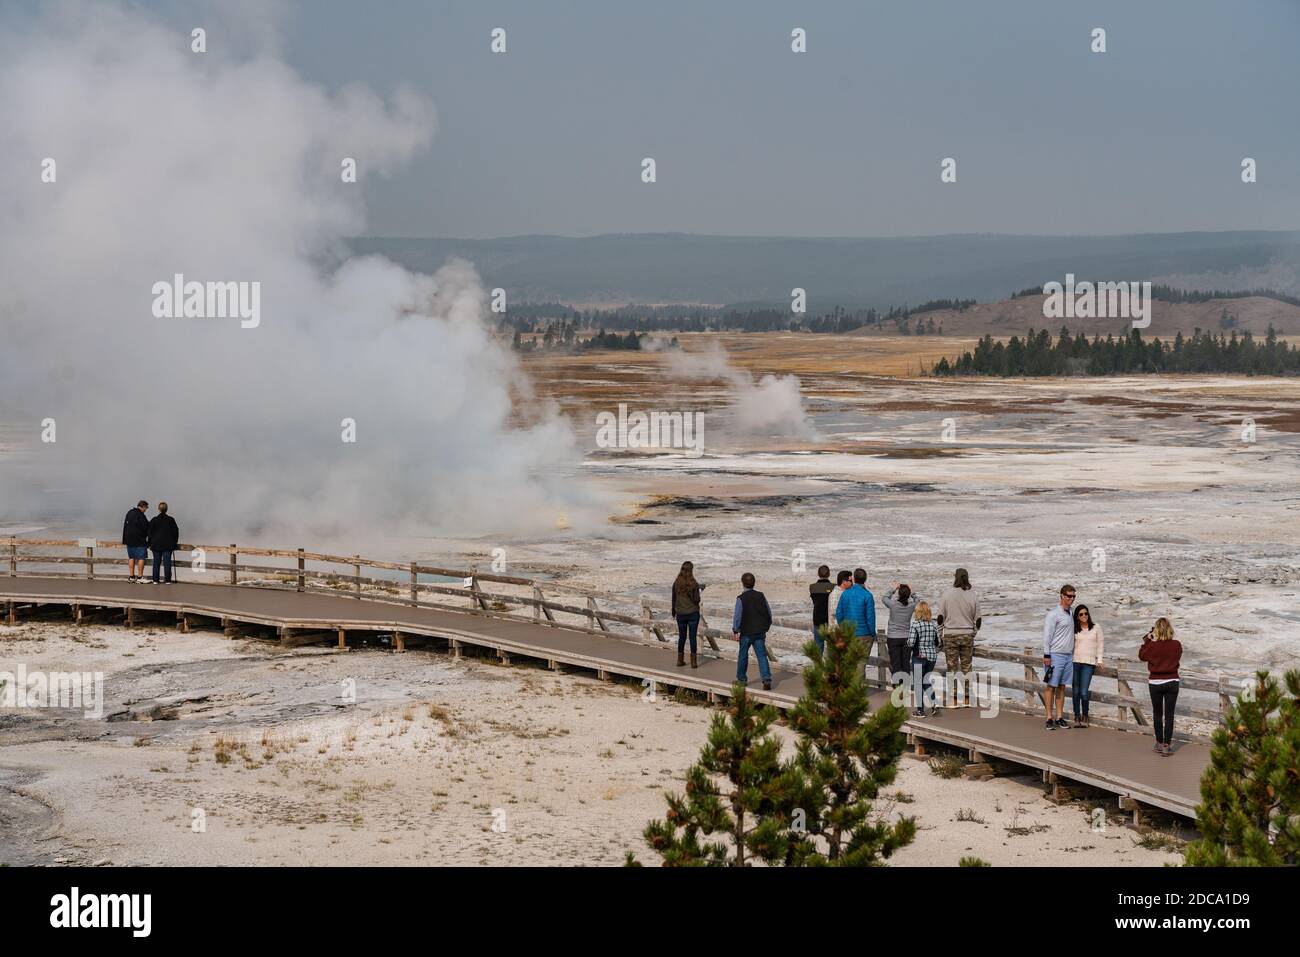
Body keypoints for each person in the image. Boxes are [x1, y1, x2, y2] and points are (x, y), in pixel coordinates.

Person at [936, 568, 981, 707]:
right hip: (967, 634)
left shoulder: (947, 594)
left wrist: (940, 635)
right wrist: (973, 632)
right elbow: (978, 619)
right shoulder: (972, 595)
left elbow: (940, 618)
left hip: (950, 634)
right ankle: (967, 699)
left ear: (955, 577)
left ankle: (953, 699)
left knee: (952, 668)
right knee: (967, 667)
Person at [1139, 618, 1183, 756]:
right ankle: (1166, 745)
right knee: (1169, 715)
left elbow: (1141, 656)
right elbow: (1177, 657)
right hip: (1172, 681)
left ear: (1156, 630)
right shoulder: (1176, 645)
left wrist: (1147, 640)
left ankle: (1158, 742)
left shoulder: (1152, 645)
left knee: (1158, 714)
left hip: (1156, 683)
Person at [1041, 584, 1076, 730]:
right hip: (1055, 655)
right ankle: (1049, 717)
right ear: (1062, 596)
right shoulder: (1054, 614)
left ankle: (1059, 717)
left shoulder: (1071, 613)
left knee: (1062, 687)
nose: (1071, 599)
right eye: (1069, 596)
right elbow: (1047, 635)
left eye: (1073, 596)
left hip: (1068, 656)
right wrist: (1047, 654)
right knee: (1051, 686)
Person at [732, 572, 773, 691]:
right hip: (759, 631)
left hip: (746, 632)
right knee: (761, 655)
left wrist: (735, 630)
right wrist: (767, 626)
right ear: (754, 583)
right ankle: (766, 679)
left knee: (743, 655)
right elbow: (768, 612)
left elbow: (737, 616)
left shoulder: (741, 598)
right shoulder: (761, 596)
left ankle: (741, 680)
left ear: (743, 583)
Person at [1071, 604, 1104, 727]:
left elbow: (1100, 645)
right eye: (1081, 614)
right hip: (1075, 662)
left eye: (1086, 613)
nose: (1084, 616)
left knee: (1084, 692)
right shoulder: (1074, 629)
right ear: (1077, 617)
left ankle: (1085, 716)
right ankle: (1076, 716)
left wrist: (1100, 660)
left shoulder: (1096, 627)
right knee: (1075, 692)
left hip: (1088, 664)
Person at [883, 581, 921, 686]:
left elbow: (884, 598)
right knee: (905, 662)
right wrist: (912, 592)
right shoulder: (912, 606)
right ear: (908, 595)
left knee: (895, 662)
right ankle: (905, 684)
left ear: (899, 594)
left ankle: (897, 684)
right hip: (906, 637)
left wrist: (893, 589)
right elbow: (918, 600)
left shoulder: (893, 605)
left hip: (893, 637)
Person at [908, 601, 941, 717]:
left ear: (918, 612)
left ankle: (920, 710)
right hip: (932, 657)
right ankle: (934, 704)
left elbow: (911, 642)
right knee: (926, 681)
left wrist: (908, 643)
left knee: (918, 683)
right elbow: (938, 642)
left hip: (919, 657)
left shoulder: (915, 625)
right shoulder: (934, 625)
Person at [671, 561, 703, 669]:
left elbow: (674, 599)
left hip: (680, 614)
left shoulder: (676, 583)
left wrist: (673, 612)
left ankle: (680, 660)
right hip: (693, 613)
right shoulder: (694, 584)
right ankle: (693, 662)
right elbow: (696, 600)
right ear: (691, 570)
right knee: (692, 637)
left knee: (682, 637)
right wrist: (699, 593)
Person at [146, 501, 180, 584]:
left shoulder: (154, 520)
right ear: (166, 509)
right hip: (168, 545)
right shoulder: (171, 520)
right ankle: (168, 580)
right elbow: (176, 532)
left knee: (156, 563)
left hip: (156, 544)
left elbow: (149, 533)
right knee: (167, 563)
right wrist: (174, 543)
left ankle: (155, 580)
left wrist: (150, 543)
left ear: (159, 509)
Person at [809, 565, 836, 652]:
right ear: (829, 574)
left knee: (818, 646)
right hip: (830, 619)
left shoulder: (812, 587)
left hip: (817, 618)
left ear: (818, 574)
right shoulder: (834, 587)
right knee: (832, 648)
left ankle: (818, 665)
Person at [121, 500, 149, 582]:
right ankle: (140, 577)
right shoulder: (141, 515)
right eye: (146, 508)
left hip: (128, 540)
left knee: (131, 557)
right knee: (141, 558)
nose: (145, 510)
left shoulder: (129, 512)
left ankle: (132, 577)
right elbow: (146, 527)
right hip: (139, 540)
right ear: (143, 507)